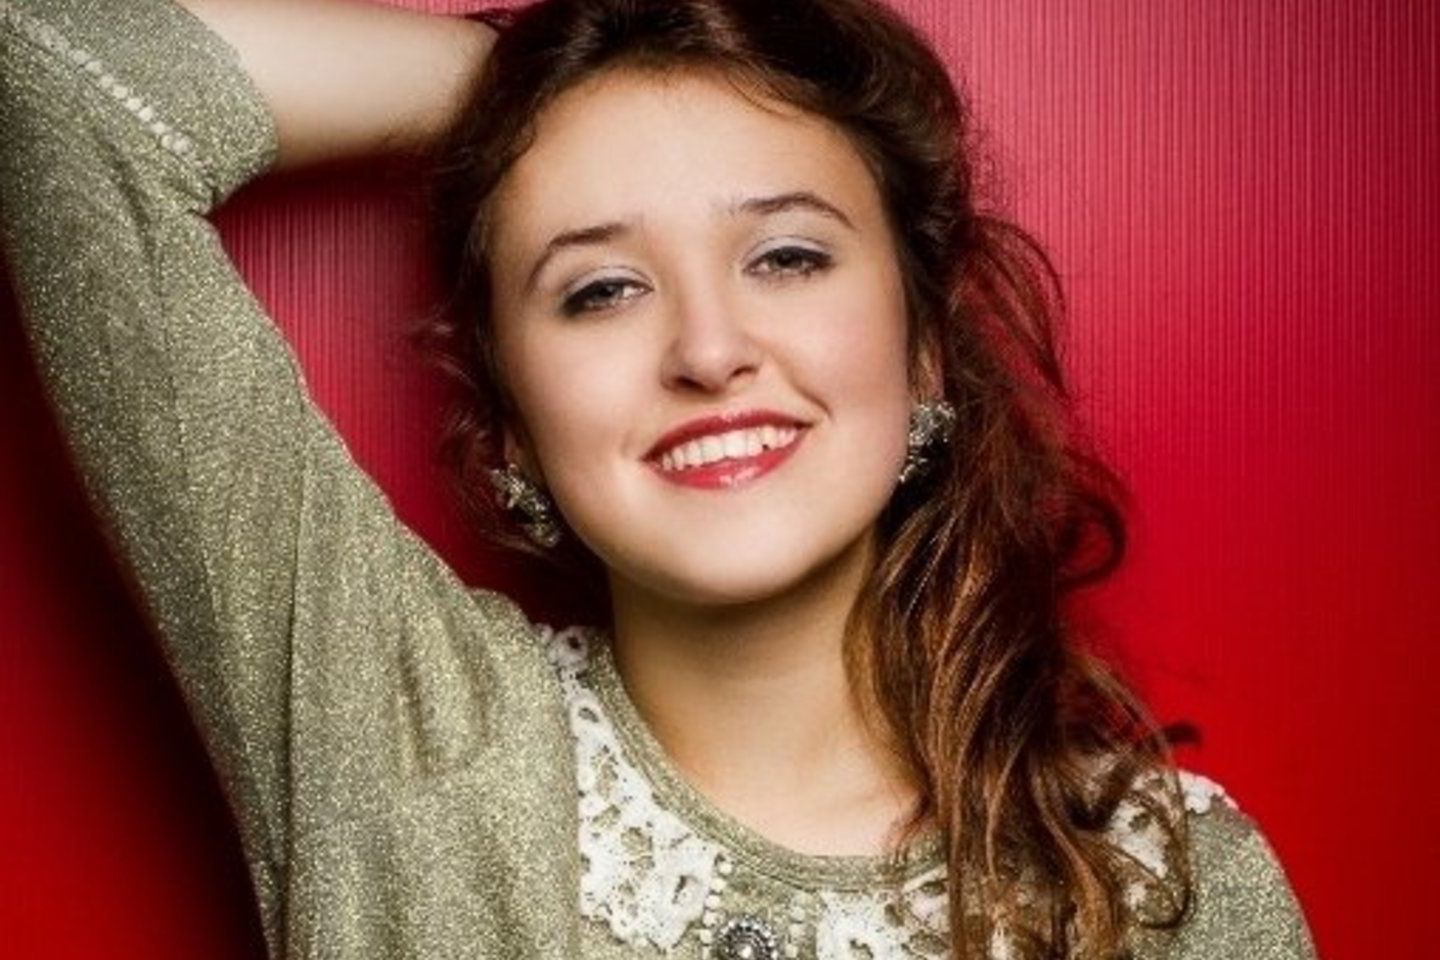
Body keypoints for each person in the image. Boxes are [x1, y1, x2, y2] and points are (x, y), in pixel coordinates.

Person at [0, 0, 1317, 957]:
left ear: (923, 351)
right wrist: (537, 85)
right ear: (512, 429)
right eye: (601, 288)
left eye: (786, 257)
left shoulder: (1164, 893)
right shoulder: (399, 729)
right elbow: (57, 72)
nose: (708, 349)